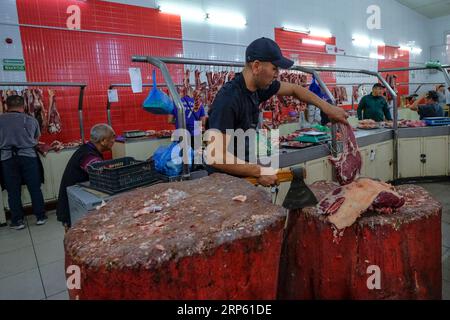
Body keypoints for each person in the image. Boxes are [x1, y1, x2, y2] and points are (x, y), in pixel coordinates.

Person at [207, 37, 348, 187]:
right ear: (256, 67)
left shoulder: (256, 89)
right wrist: (259, 171)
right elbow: (215, 156)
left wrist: (328, 108)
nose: (277, 74)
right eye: (274, 68)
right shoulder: (229, 99)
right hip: (223, 185)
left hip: (242, 176)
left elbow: (295, 89)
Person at [56, 124, 115, 230]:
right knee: (75, 236)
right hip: (72, 205)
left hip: (75, 201)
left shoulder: (88, 149)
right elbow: (100, 172)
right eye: (112, 137)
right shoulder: (88, 155)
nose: (114, 140)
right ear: (103, 141)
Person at [0, 95, 47, 230]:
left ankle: (17, 221)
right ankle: (40, 217)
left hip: (7, 158)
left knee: (13, 190)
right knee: (34, 187)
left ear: (7, 106)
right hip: (28, 156)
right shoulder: (30, 120)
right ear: (23, 106)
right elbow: (37, 138)